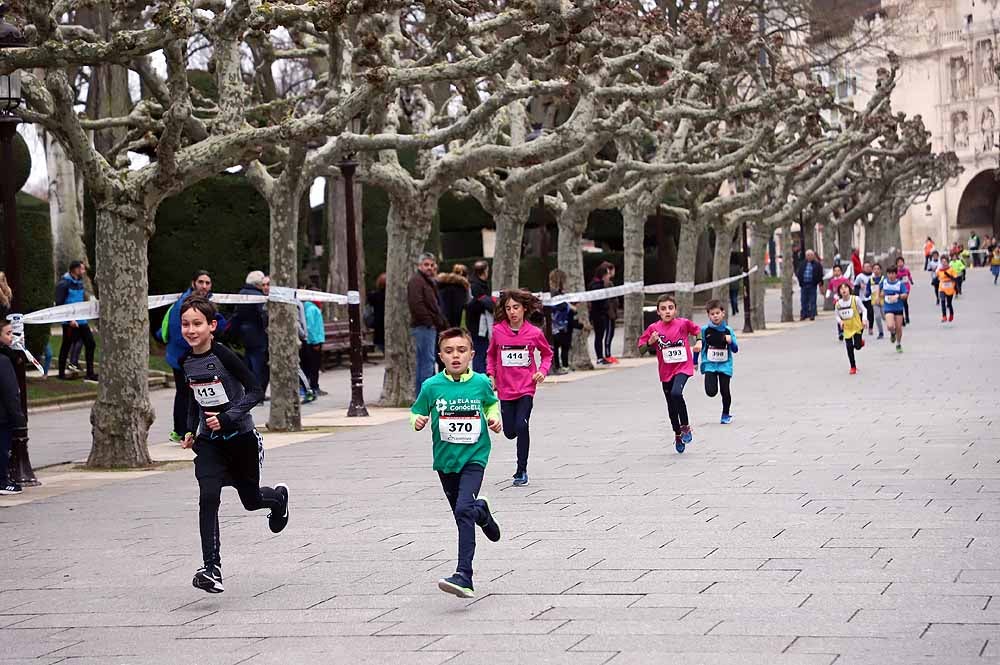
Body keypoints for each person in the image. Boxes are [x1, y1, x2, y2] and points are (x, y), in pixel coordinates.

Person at [179, 296, 289, 594]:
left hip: (241, 439)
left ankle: (277, 499)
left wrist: (228, 418)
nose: (191, 330)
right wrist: (189, 430)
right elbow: (192, 398)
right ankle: (211, 568)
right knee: (208, 496)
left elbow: (254, 391)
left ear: (212, 326)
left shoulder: (224, 356)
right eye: (186, 324)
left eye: (197, 324)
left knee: (251, 500)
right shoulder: (185, 361)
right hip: (209, 443)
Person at [411, 327, 503, 599]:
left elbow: (491, 404)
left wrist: (494, 417)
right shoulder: (431, 386)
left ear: (471, 354)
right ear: (440, 355)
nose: (455, 356)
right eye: (449, 351)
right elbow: (417, 410)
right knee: (463, 513)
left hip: (474, 457)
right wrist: (416, 421)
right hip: (445, 461)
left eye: (461, 351)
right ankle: (482, 512)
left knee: (463, 510)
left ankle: (465, 575)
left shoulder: (481, 383)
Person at [487, 289, 552, 487]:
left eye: (516, 307)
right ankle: (515, 438)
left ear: (524, 309)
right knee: (509, 432)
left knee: (522, 425)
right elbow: (490, 355)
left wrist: (542, 370)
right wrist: (491, 374)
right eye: (508, 308)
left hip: (526, 387)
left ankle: (521, 470)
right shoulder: (498, 331)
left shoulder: (534, 333)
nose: (512, 312)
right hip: (506, 389)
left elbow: (547, 354)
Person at [638, 294, 703, 453]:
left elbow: (697, 330)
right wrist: (650, 343)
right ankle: (677, 434)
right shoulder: (653, 329)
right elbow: (641, 349)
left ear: (675, 310)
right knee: (671, 405)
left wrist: (699, 341)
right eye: (663, 309)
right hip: (665, 371)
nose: (667, 311)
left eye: (670, 308)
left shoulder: (683, 324)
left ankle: (686, 426)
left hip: (683, 367)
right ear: (658, 312)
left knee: (676, 393)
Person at [160, 270, 218, 442]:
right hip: (181, 357)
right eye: (201, 282)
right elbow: (180, 333)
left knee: (188, 394)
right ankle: (182, 431)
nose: (204, 286)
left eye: (207, 283)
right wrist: (192, 356)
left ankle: (184, 430)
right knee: (186, 395)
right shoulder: (184, 304)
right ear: (193, 283)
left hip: (185, 356)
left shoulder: (201, 302)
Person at [408, 252, 449, 394]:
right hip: (424, 327)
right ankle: (426, 396)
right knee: (427, 362)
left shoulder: (428, 282)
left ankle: (423, 395)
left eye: (432, 265)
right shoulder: (417, 281)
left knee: (425, 362)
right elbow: (416, 304)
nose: (429, 268)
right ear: (420, 266)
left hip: (429, 326)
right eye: (426, 265)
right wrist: (429, 322)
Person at [55, 261, 98, 382]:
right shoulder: (63, 284)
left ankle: (90, 373)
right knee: (66, 346)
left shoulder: (79, 283)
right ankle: (61, 374)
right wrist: (69, 321)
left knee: (91, 343)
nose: (83, 271)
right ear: (75, 269)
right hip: (70, 322)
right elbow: (59, 304)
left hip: (81, 320)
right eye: (82, 269)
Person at [700, 300, 739, 424]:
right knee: (711, 392)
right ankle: (713, 390)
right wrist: (695, 361)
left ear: (723, 313)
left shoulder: (728, 330)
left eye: (717, 313)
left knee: (725, 390)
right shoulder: (704, 330)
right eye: (712, 314)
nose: (715, 316)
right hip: (710, 365)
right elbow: (701, 346)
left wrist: (730, 341)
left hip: (724, 365)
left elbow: (735, 349)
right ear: (708, 315)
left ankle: (725, 414)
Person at [233, 271, 269, 393]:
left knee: (248, 361)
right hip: (258, 333)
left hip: (245, 333)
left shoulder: (241, 294)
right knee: (259, 365)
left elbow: (236, 315)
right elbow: (263, 315)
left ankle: (246, 389)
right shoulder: (258, 296)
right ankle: (258, 392)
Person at [0, 320, 25, 495]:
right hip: (2, 416)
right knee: (2, 448)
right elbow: (11, 393)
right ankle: (2, 481)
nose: (12, 337)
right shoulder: (3, 362)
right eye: (8, 333)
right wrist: (18, 418)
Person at [466, 261, 495, 374]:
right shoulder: (477, 287)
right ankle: (480, 376)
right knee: (480, 351)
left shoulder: (476, 285)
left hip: (478, 324)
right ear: (484, 271)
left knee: (482, 351)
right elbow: (483, 304)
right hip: (479, 325)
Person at [835, 282, 867, 375]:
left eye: (845, 288)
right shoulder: (838, 304)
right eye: (841, 288)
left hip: (857, 326)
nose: (844, 290)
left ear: (849, 289)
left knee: (857, 346)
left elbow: (864, 310)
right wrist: (840, 322)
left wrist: (864, 319)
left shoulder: (855, 299)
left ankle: (860, 342)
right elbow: (836, 316)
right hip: (847, 328)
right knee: (849, 347)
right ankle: (853, 366)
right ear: (839, 292)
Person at [300, 300, 325, 399]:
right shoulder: (312, 309)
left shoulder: (307, 308)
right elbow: (310, 327)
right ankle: (314, 386)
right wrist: (315, 341)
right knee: (314, 366)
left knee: (309, 366)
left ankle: (311, 386)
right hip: (314, 341)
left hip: (311, 340)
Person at [588, 264, 612, 365]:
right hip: (598, 314)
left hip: (601, 313)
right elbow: (599, 301)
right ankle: (599, 357)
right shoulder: (597, 285)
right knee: (599, 336)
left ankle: (600, 356)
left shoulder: (599, 284)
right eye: (607, 273)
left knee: (600, 336)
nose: (609, 276)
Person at [881, 265, 909, 353]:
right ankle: (892, 333)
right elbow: (880, 290)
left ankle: (898, 343)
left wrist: (898, 296)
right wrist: (880, 295)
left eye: (893, 273)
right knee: (890, 325)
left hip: (898, 308)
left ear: (896, 274)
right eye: (889, 273)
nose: (891, 275)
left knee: (899, 327)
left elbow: (905, 294)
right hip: (888, 307)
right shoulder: (884, 282)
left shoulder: (900, 284)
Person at [438, 264, 471, 329]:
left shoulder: (442, 284)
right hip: (453, 323)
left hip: (440, 320)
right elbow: (463, 305)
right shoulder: (461, 288)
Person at [825, 265, 852, 341]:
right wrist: (827, 294)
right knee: (839, 316)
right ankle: (840, 332)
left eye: (838, 270)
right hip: (836, 301)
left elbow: (850, 287)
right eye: (835, 271)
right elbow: (830, 288)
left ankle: (848, 329)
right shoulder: (832, 281)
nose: (836, 272)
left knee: (846, 315)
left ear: (841, 271)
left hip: (845, 300)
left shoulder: (845, 280)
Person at [796, 249, 824, 320]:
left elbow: (820, 274)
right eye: (808, 255)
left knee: (812, 300)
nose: (809, 257)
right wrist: (800, 282)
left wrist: (819, 283)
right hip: (804, 285)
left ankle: (812, 314)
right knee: (803, 300)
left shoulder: (817, 264)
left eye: (811, 255)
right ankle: (804, 314)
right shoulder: (802, 263)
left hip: (812, 285)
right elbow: (799, 273)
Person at [603, 263, 620, 363]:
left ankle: (609, 354)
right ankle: (607, 354)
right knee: (609, 333)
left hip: (612, 312)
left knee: (611, 333)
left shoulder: (610, 283)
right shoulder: (607, 284)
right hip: (609, 313)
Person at [853, 262, 875, 336]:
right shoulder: (859, 276)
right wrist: (859, 288)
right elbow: (855, 287)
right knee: (861, 315)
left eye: (869, 267)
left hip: (870, 298)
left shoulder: (873, 276)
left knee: (871, 313)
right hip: (861, 298)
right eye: (866, 267)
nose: (868, 268)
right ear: (863, 268)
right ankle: (860, 329)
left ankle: (871, 327)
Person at [367, 273, 386, 353]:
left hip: (378, 325)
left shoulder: (374, 296)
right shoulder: (387, 296)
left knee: (382, 346)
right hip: (384, 325)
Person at [894, 256, 914, 324]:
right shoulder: (896, 271)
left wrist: (911, 281)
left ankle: (907, 317)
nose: (900, 263)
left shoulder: (906, 270)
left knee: (904, 302)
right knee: (900, 303)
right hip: (899, 288)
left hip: (906, 287)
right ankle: (901, 318)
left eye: (901, 262)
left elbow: (909, 276)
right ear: (896, 264)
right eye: (898, 262)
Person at [869, 263, 885, 339]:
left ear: (881, 270)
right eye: (874, 269)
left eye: (878, 269)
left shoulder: (884, 279)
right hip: (874, 302)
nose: (876, 270)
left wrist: (884, 292)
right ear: (872, 270)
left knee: (885, 317)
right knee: (877, 317)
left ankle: (893, 328)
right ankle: (881, 332)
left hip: (884, 301)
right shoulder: (871, 280)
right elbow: (868, 290)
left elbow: (888, 288)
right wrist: (866, 293)